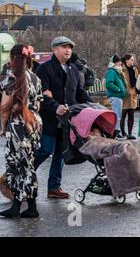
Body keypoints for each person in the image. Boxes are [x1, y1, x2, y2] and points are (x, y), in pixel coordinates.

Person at [0, 44, 43, 218]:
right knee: (29, 165)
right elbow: (38, 104)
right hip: (34, 124)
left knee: (16, 166)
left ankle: (17, 205)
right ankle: (31, 206)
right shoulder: (35, 78)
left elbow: (4, 106)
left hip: (18, 125)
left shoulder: (12, 77)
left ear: (13, 58)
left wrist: (3, 127)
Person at [34, 36, 92, 199]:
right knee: (45, 149)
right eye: (64, 47)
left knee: (61, 151)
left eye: (70, 47)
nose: (68, 50)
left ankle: (54, 187)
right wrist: (55, 106)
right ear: (54, 49)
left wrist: (93, 105)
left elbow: (79, 93)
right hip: (49, 118)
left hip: (67, 119)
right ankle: (21, 175)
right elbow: (42, 95)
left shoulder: (73, 69)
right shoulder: (44, 69)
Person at [105, 55, 127, 140]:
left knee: (118, 115)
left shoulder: (116, 71)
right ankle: (116, 134)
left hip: (118, 97)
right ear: (114, 63)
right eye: (118, 61)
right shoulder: (111, 71)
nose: (120, 63)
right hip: (115, 96)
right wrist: (118, 89)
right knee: (117, 115)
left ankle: (116, 133)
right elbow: (109, 83)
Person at [121, 54, 139, 140]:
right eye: (131, 60)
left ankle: (130, 133)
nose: (133, 61)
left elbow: (137, 81)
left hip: (133, 94)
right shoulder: (121, 69)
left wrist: (137, 90)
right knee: (123, 115)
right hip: (124, 95)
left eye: (133, 60)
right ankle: (123, 133)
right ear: (126, 60)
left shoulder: (135, 69)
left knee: (131, 115)